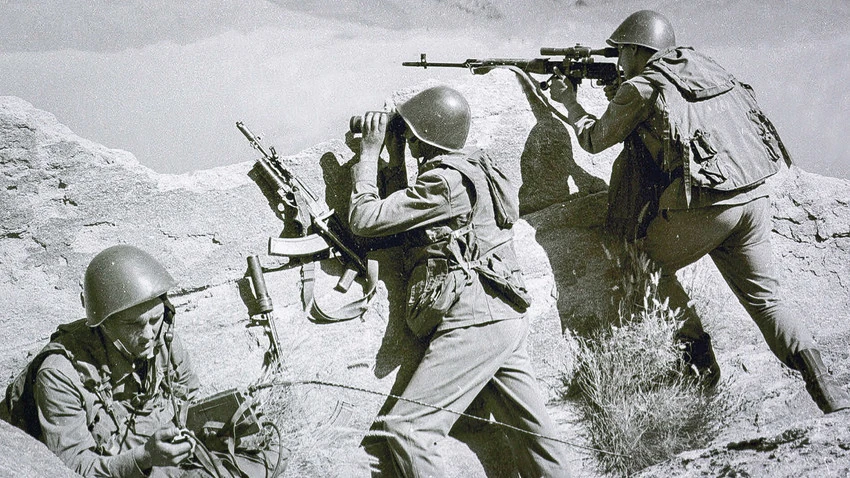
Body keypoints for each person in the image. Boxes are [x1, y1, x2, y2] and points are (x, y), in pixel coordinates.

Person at [548, 10, 850, 413]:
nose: (618, 61)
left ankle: (699, 360)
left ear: (637, 51)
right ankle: (827, 390)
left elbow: (593, 140)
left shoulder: (641, 87)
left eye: (621, 52)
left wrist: (569, 102)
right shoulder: (702, 69)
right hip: (753, 197)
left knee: (640, 265)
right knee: (767, 301)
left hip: (709, 207)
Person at [348, 86, 571, 477]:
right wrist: (396, 154)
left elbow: (365, 219)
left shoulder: (443, 184)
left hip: (475, 320)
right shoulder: (475, 167)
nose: (407, 139)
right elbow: (410, 215)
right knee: (535, 439)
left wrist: (368, 157)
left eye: (410, 133)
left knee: (408, 431)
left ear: (425, 136)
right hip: (504, 314)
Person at [4, 245, 286, 477]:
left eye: (155, 319)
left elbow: (187, 399)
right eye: (134, 325)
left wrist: (220, 426)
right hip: (114, 466)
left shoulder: (164, 337)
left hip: (155, 453)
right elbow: (73, 469)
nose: (149, 335)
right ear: (104, 324)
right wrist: (145, 457)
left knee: (271, 458)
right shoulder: (59, 374)